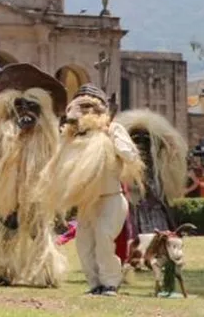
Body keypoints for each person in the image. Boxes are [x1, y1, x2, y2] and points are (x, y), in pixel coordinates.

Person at [0, 63, 67, 288]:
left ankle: (45, 273)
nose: (25, 112)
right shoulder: (4, 137)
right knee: (5, 230)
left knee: (39, 231)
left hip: (37, 196)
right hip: (9, 196)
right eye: (19, 107)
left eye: (31, 107)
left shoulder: (47, 140)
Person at [44, 84, 144, 297]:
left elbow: (131, 157)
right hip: (87, 202)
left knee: (104, 238)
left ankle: (110, 283)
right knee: (84, 244)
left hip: (111, 198)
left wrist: (111, 137)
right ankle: (95, 284)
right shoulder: (72, 135)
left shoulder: (113, 129)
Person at [114, 108, 188, 265]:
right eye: (137, 139)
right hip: (133, 210)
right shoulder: (126, 164)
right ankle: (136, 257)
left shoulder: (156, 166)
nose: (141, 144)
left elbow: (159, 185)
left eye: (145, 140)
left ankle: (157, 256)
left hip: (153, 209)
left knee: (157, 236)